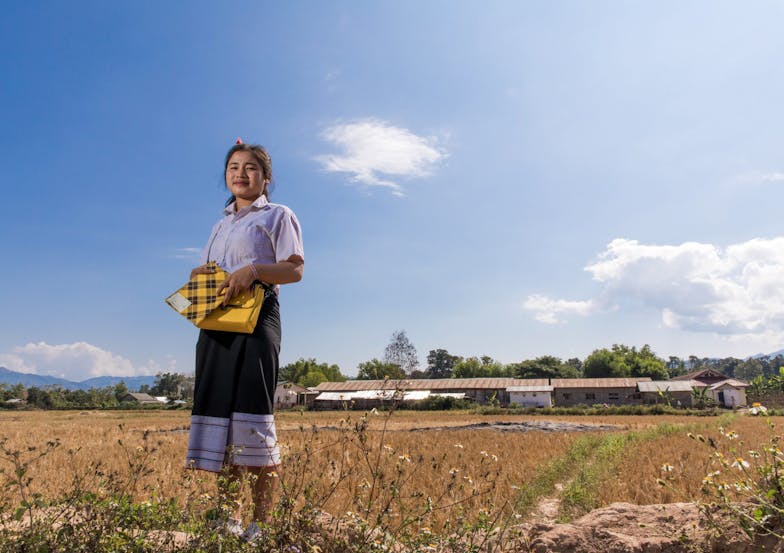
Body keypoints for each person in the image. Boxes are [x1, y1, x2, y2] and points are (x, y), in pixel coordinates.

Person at [185, 139, 304, 539]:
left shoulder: (278, 216)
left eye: (250, 167)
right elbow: (213, 272)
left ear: (266, 178)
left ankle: (262, 524)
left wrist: (252, 270)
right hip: (217, 322)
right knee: (223, 422)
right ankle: (228, 517)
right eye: (233, 166)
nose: (240, 173)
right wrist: (199, 279)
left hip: (258, 318)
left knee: (254, 420)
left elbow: (294, 270)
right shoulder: (219, 224)